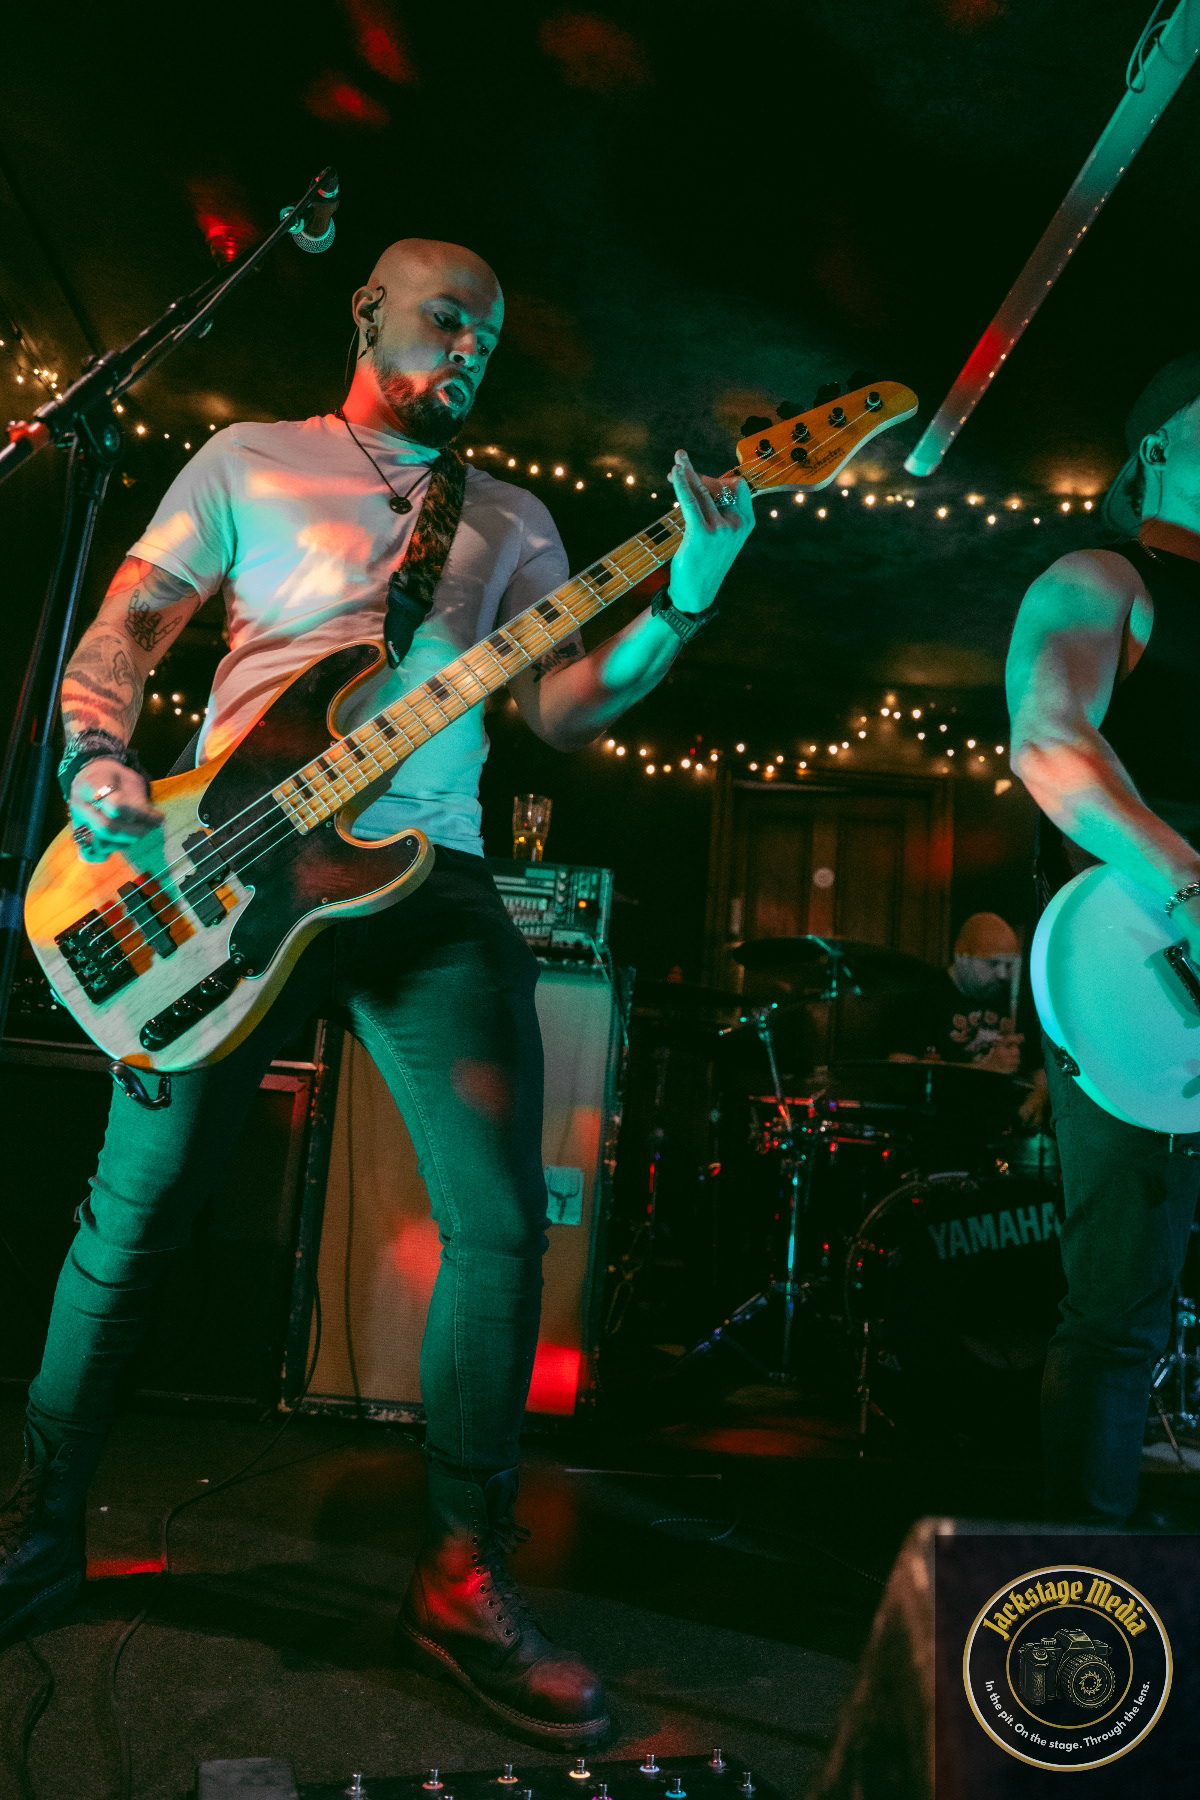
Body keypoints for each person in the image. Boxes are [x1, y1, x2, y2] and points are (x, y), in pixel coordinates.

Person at [0, 238, 756, 1739]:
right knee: (132, 1216)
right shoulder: (249, 458)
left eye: (490, 337)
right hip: (224, 869)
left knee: (498, 1226)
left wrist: (685, 596)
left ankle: (464, 1575)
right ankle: (40, 1520)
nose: (470, 349)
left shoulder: (515, 517)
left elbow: (563, 707)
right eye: (447, 318)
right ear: (368, 311)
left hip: (431, 880)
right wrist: (95, 756)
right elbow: (131, 629)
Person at [1006, 350, 1200, 1525]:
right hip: (1147, 971)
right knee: (1122, 1305)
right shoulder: (1102, 576)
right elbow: (1049, 740)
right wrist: (1187, 882)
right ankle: (1086, 1582)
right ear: (1157, 446)